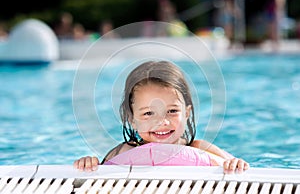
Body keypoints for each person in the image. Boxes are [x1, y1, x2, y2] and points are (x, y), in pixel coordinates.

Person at [74, 60, 249, 174]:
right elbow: (89, 183)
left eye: (172, 111)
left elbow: (241, 169)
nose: (162, 122)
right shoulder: (124, 151)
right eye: (148, 113)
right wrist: (88, 165)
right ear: (132, 119)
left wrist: (234, 165)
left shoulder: (200, 148)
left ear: (187, 113)